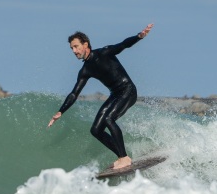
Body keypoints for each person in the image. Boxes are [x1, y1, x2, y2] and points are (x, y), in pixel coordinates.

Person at [48, 24, 154, 169]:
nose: (74, 51)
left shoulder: (104, 52)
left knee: (109, 119)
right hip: (115, 94)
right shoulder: (85, 70)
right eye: (72, 48)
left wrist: (139, 36)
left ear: (85, 44)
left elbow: (123, 45)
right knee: (96, 130)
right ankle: (123, 156)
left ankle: (123, 158)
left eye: (76, 46)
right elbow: (74, 93)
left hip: (128, 91)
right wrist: (61, 111)